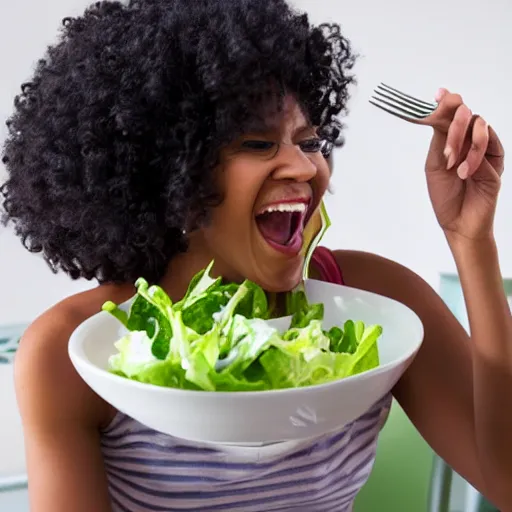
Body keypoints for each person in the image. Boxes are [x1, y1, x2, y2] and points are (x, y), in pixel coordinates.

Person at [1, 0, 511, 510]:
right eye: (258, 143)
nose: (306, 168)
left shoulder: (375, 303)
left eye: (309, 141)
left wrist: (473, 243)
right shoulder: (74, 354)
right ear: (172, 172)